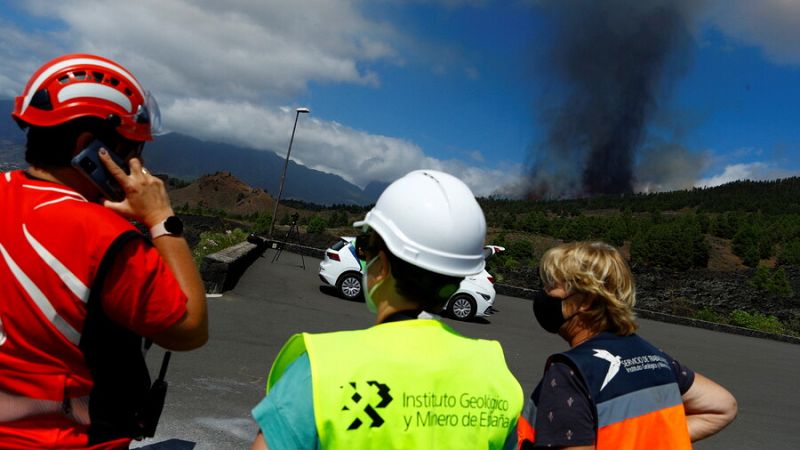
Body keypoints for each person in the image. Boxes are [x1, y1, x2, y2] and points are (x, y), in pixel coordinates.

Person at [0, 54, 208, 449]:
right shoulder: (106, 239)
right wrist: (161, 218)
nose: (138, 163)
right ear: (90, 148)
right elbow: (190, 329)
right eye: (134, 148)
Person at [251, 170, 523, 449]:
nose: (362, 254)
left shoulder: (321, 369)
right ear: (457, 277)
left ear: (381, 266)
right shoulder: (496, 378)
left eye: (364, 247)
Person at [518, 241, 737, 449]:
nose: (543, 293)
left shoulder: (571, 373)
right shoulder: (654, 357)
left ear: (586, 301)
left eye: (551, 285)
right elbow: (722, 406)